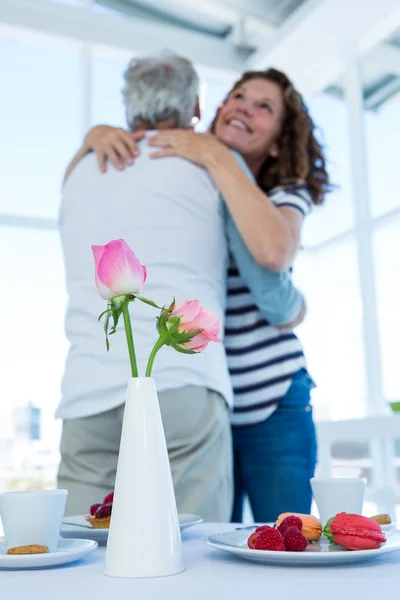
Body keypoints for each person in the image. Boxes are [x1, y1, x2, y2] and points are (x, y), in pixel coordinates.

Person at [72, 67, 331, 523]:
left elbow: (274, 268)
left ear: (277, 140)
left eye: (263, 107)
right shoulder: (194, 174)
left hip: (272, 401)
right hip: (210, 394)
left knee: (288, 540)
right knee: (213, 542)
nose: (243, 107)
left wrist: (298, 306)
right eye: (238, 95)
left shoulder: (281, 192)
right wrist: (94, 134)